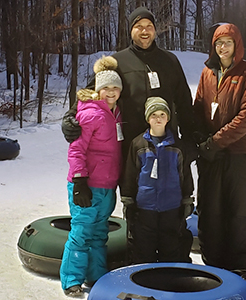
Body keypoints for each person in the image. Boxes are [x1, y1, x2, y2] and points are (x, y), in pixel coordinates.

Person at [60, 6, 197, 264]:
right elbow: (93, 93)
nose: (144, 31)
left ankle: (174, 268)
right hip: (133, 153)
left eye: (149, 26)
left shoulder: (170, 61)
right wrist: (70, 116)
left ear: (155, 30)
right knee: (136, 208)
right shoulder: (118, 61)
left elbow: (185, 104)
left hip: (168, 151)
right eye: (138, 26)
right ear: (130, 30)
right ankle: (139, 266)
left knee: (172, 211)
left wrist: (190, 142)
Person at [192, 23, 246, 284]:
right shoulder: (207, 73)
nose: (222, 47)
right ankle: (214, 275)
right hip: (211, 157)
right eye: (218, 43)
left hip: (239, 156)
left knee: (241, 215)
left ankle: (240, 276)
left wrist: (216, 143)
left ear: (237, 45)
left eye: (228, 42)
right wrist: (200, 138)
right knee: (211, 214)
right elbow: (198, 106)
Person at [60, 56, 124, 297]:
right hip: (87, 184)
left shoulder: (116, 113)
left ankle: (96, 276)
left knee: (99, 234)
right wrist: (79, 181)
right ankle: (71, 280)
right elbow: (76, 148)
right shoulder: (91, 113)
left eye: (115, 88)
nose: (110, 92)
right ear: (97, 89)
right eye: (105, 88)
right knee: (81, 232)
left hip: (107, 186)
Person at [120, 96, 194, 264]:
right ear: (148, 118)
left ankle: (169, 284)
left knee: (171, 248)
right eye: (154, 115)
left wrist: (187, 199)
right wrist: (128, 201)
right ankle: (145, 284)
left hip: (171, 208)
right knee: (144, 249)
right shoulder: (138, 145)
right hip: (145, 208)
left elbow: (185, 175)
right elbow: (131, 175)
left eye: (162, 114)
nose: (158, 118)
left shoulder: (177, 146)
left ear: (168, 118)